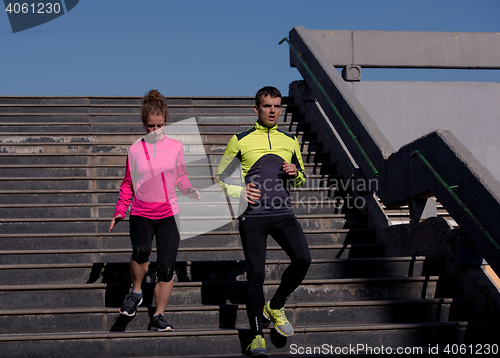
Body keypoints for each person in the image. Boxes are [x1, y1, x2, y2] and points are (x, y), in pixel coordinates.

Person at [216, 86, 311, 356]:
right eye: (267, 106)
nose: (273, 111)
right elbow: (221, 176)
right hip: (253, 215)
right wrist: (240, 191)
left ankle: (276, 304)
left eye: (277, 106)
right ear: (256, 108)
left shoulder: (290, 141)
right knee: (256, 275)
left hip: (283, 213)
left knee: (303, 259)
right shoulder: (240, 139)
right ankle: (256, 335)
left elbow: (302, 177)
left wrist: (295, 173)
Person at [109, 89, 199, 331]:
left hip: (169, 213)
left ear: (165, 123)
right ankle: (136, 291)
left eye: (159, 125)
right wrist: (120, 210)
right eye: (150, 126)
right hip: (141, 212)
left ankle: (158, 315)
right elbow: (128, 183)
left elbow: (181, 177)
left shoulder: (175, 146)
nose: (155, 131)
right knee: (141, 251)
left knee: (166, 268)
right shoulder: (135, 149)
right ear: (143, 123)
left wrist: (189, 189)